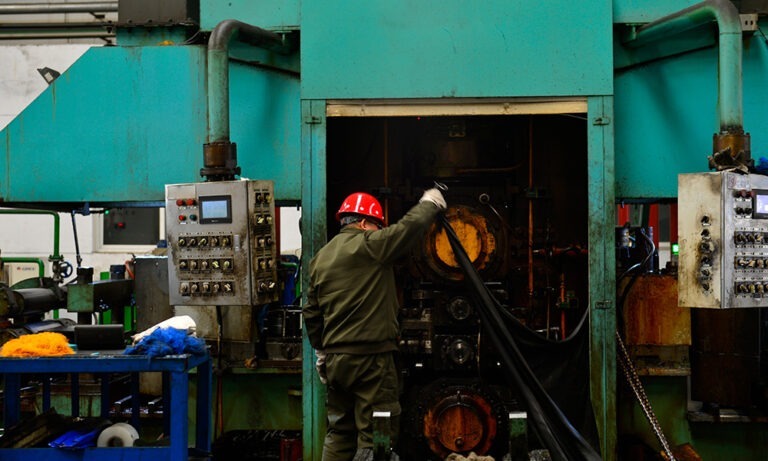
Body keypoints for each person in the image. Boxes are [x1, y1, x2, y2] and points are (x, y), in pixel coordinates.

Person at [304, 188, 447, 461]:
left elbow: (311, 313)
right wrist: (430, 203)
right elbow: (408, 228)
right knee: (376, 436)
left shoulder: (319, 258)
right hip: (372, 362)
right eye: (377, 226)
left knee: (339, 432)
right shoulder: (371, 245)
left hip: (336, 363)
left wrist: (322, 352)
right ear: (363, 223)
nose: (377, 230)